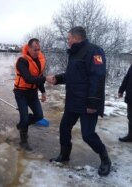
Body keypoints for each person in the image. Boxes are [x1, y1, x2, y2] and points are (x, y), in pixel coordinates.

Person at [48, 26, 111, 176]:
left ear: (76, 38)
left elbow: (98, 78)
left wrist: (92, 103)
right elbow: (73, 75)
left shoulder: (94, 51)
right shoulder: (75, 53)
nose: (67, 41)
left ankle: (105, 159)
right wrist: (57, 78)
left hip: (88, 103)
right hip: (73, 101)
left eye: (68, 38)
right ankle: (64, 155)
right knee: (64, 128)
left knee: (87, 135)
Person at [14, 38, 50, 151]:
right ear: (29, 48)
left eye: (39, 50)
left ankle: (22, 125)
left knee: (39, 116)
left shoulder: (39, 60)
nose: (37, 52)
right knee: (24, 118)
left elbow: (38, 78)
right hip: (21, 92)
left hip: (32, 93)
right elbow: (28, 78)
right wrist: (46, 78)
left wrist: (43, 92)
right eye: (35, 50)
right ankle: (23, 142)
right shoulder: (22, 61)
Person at [118, 64, 132, 142]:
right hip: (131, 96)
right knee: (130, 117)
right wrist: (121, 90)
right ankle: (130, 136)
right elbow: (127, 78)